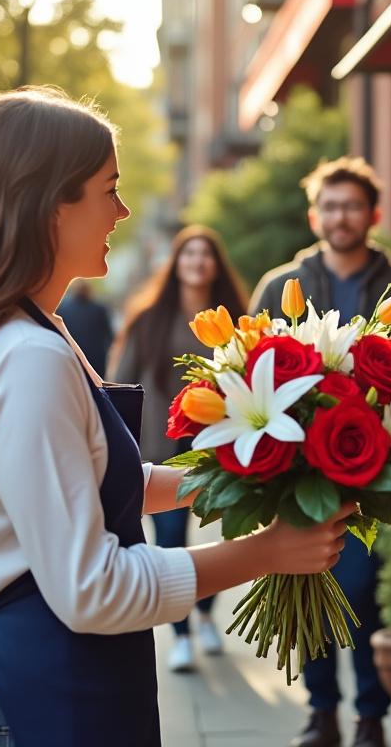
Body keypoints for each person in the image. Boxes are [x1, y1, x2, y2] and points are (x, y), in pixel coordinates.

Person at [0, 86, 353, 747]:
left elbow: (99, 479)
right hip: (44, 699)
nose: (123, 210)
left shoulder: (27, 333)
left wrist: (236, 478)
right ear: (50, 203)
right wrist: (267, 551)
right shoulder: (28, 357)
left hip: (52, 687)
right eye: (108, 189)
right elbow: (93, 590)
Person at [250, 156, 391, 747]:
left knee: (366, 592)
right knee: (309, 582)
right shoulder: (281, 286)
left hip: (381, 466)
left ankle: (371, 717)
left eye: (352, 205)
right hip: (300, 466)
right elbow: (254, 364)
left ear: (373, 213)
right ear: (314, 215)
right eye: (330, 206)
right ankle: (322, 710)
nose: (341, 216)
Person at [111, 224, 248, 673]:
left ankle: (207, 616)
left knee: (223, 532)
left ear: (215, 265)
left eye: (205, 254)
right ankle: (182, 633)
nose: (197, 261)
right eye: (188, 254)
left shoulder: (235, 320)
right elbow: (121, 385)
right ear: (176, 263)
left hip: (219, 440)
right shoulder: (149, 318)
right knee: (170, 538)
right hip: (162, 441)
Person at [55, 280, 114, 376]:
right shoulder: (100, 309)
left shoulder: (63, 309)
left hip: (73, 357)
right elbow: (109, 335)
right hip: (96, 360)